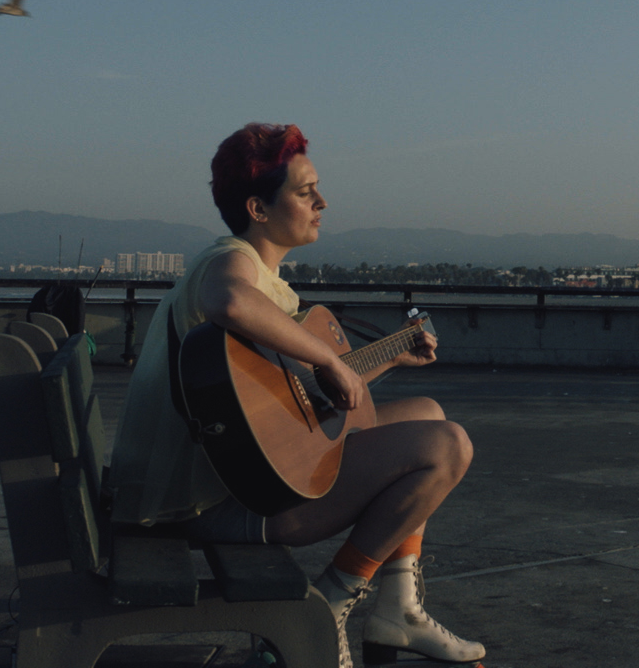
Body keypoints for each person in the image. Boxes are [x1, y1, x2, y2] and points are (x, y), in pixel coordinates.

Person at [109, 123, 483, 668]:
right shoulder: (230, 262)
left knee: (427, 413)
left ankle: (398, 608)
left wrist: (384, 357)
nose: (322, 202)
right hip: (209, 503)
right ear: (258, 209)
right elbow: (229, 301)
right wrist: (328, 357)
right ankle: (334, 599)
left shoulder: (266, 282)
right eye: (306, 193)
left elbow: (295, 402)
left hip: (237, 479)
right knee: (448, 445)